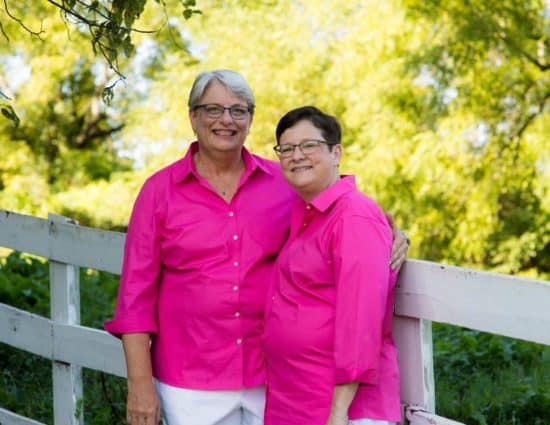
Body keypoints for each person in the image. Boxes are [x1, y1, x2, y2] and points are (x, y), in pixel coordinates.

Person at [104, 70, 408, 425]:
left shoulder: (285, 181)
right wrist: (140, 384)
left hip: (273, 380)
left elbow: (340, 208)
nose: (226, 120)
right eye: (213, 109)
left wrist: (393, 231)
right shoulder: (158, 192)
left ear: (250, 120)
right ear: (193, 117)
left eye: (239, 110)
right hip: (190, 382)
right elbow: (134, 299)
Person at [263, 106, 401, 425]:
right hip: (296, 397)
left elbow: (360, 320)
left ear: (336, 152)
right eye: (287, 148)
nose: (297, 155)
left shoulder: (354, 217)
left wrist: (338, 412)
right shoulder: (304, 213)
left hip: (341, 407)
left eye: (309, 145)